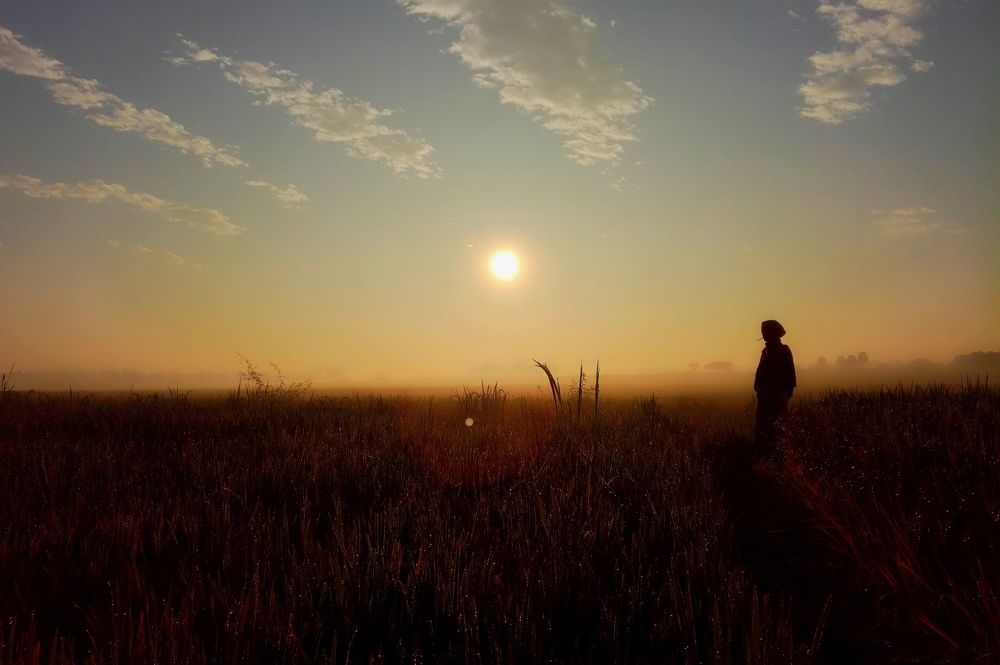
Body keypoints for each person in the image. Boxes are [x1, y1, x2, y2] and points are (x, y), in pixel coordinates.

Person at [753, 319, 796, 454]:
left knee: (778, 429)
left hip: (777, 397)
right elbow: (760, 373)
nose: (764, 335)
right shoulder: (765, 351)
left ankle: (778, 455)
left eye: (766, 332)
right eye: (764, 333)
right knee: (764, 428)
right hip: (765, 396)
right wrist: (759, 389)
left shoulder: (784, 351)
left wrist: (786, 393)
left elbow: (790, 374)